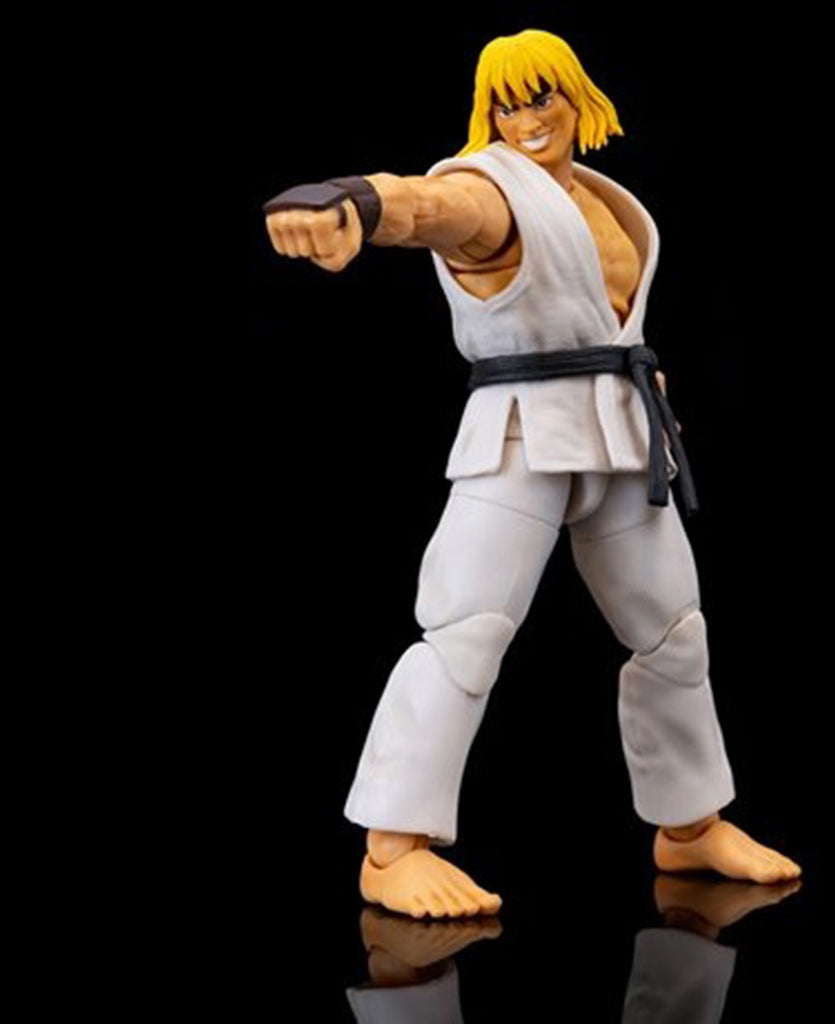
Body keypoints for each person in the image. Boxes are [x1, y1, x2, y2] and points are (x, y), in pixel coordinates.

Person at [263, 29, 801, 920]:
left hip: (621, 430)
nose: (526, 119)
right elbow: (430, 208)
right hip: (517, 438)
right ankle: (392, 848)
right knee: (464, 629)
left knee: (673, 631)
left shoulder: (602, 197)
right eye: (506, 104)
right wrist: (356, 202)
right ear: (489, 115)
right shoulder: (490, 190)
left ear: (576, 96)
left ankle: (690, 823)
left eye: (541, 96)